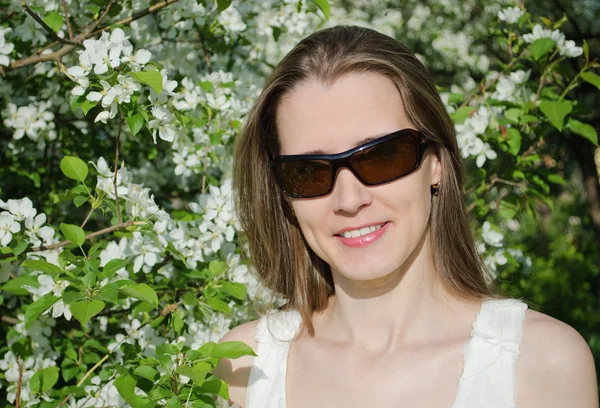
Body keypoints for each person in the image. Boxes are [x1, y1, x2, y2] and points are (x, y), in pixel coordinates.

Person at [214, 25, 598, 407]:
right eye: (309, 171)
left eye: (381, 156)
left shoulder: (540, 364)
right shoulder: (243, 367)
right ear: (284, 193)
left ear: (435, 162)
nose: (349, 199)